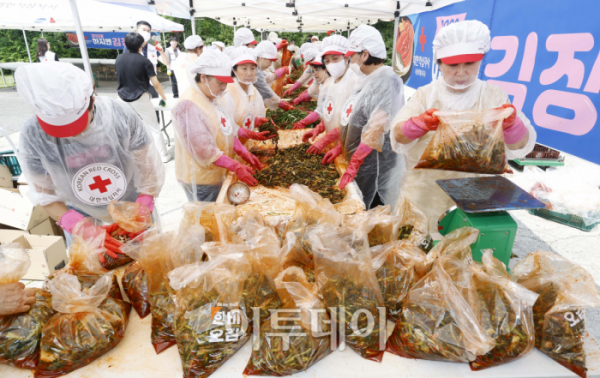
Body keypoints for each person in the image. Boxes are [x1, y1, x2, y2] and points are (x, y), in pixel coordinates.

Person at [390, 20, 536, 233]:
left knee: (464, 254)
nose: (461, 72)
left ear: (481, 60)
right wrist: (418, 124)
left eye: (469, 64)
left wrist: (512, 125)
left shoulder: (493, 95)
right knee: (415, 246)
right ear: (438, 63)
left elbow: (521, 146)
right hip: (423, 194)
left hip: (475, 195)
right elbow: (398, 136)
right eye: (452, 65)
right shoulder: (426, 95)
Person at [15, 62, 164, 254]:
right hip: (80, 214)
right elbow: (44, 192)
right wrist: (76, 225)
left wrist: (145, 201)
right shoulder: (33, 134)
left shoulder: (119, 116)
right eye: (57, 130)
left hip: (132, 207)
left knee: (150, 263)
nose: (68, 135)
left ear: (91, 101)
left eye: (73, 126)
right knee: (94, 271)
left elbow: (148, 166)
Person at [172, 49, 272, 202]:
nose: (224, 87)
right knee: (207, 217)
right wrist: (236, 166)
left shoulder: (216, 97)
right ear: (204, 77)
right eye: (220, 83)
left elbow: (226, 132)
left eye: (226, 83)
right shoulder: (188, 105)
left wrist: (243, 152)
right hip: (200, 179)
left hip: (218, 171)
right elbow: (204, 151)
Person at [324, 25, 406, 210]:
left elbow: (375, 128)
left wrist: (355, 162)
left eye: (352, 56)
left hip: (375, 165)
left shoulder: (387, 80)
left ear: (365, 55)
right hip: (360, 160)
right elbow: (354, 120)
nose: (349, 61)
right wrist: (341, 146)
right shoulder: (364, 81)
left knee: (373, 210)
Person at [116, 32, 171, 163]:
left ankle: (126, 155)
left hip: (122, 98)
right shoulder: (144, 61)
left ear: (125, 44)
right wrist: (164, 97)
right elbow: (156, 84)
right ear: (141, 45)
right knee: (154, 127)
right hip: (140, 97)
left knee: (127, 128)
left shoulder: (119, 58)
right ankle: (163, 156)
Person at [302, 35, 358, 157]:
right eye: (327, 61)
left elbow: (353, 123)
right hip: (335, 144)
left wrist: (325, 141)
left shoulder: (355, 82)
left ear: (346, 57)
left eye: (335, 58)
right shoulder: (333, 81)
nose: (331, 64)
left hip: (349, 147)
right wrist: (319, 127)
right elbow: (331, 111)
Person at [224, 46, 267, 135]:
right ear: (234, 71)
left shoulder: (253, 91)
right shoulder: (228, 92)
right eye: (244, 69)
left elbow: (259, 113)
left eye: (252, 68)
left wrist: (256, 121)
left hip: (249, 143)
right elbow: (225, 127)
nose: (249, 73)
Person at [123, 21, 168, 99]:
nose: (146, 32)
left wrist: (161, 51)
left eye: (148, 31)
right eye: (143, 30)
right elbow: (125, 63)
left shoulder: (153, 44)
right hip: (136, 85)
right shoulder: (130, 45)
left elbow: (166, 62)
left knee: (155, 107)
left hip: (152, 83)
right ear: (137, 31)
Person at [253, 41, 295, 111]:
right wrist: (282, 104)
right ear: (261, 58)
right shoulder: (253, 69)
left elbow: (269, 77)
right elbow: (266, 91)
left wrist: (281, 71)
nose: (270, 64)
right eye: (270, 61)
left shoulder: (258, 66)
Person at [293, 54, 331, 130]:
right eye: (313, 71)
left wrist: (303, 122)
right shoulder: (323, 83)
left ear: (326, 69)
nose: (314, 73)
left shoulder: (329, 85)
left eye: (317, 70)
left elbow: (322, 110)